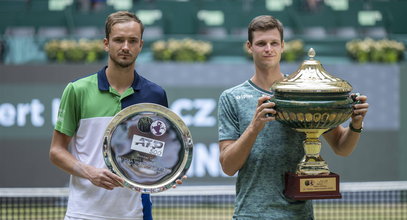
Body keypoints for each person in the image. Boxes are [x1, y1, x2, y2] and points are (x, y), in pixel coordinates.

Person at [217, 15, 369, 219]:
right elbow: (228, 166)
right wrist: (254, 127)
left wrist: (356, 124)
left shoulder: (306, 91)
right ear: (249, 47)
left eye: (274, 43)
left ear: (283, 46)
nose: (268, 49)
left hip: (299, 215)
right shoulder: (231, 97)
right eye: (261, 43)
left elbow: (342, 147)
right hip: (250, 214)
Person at [49, 11, 183, 220]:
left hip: (135, 213)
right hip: (83, 213)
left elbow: (155, 154)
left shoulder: (155, 95)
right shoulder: (77, 90)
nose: (126, 47)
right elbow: (56, 151)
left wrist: (167, 172)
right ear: (106, 43)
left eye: (132, 41)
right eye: (119, 40)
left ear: (141, 45)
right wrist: (89, 172)